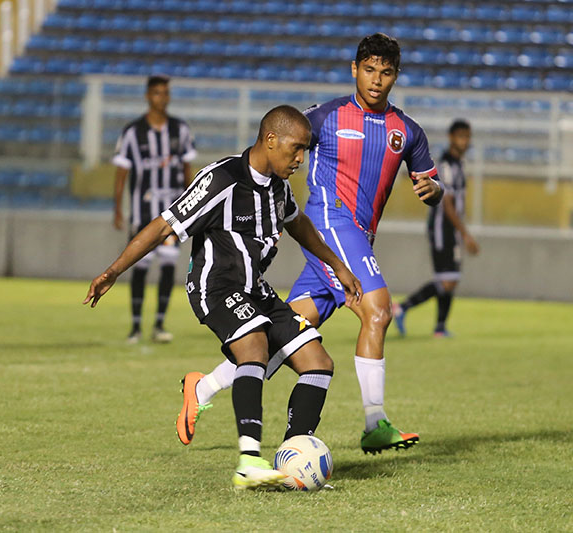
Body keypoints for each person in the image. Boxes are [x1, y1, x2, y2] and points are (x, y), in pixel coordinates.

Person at [177, 33, 443, 455]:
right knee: (378, 309)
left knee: (287, 335)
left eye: (386, 72)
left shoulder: (407, 132)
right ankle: (375, 422)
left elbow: (428, 180)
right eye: (369, 70)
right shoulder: (324, 118)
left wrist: (435, 191)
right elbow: (278, 139)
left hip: (356, 237)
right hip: (329, 220)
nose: (376, 80)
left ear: (396, 76)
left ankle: (203, 386)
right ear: (354, 70)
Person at [86, 106, 362, 489]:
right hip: (215, 288)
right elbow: (164, 224)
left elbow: (298, 224)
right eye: (296, 149)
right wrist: (114, 271)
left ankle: (291, 460)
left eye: (306, 151)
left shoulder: (279, 188)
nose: (301, 158)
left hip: (256, 291)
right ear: (270, 140)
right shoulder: (222, 180)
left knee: (318, 362)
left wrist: (338, 266)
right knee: (255, 346)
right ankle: (249, 461)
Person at [112, 75, 196, 344]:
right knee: (140, 265)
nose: (163, 98)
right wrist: (117, 208)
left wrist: (191, 206)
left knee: (169, 264)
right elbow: (121, 173)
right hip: (142, 212)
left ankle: (159, 324)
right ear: (148, 96)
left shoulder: (180, 130)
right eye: (158, 93)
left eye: (166, 93)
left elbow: (187, 171)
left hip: (172, 215)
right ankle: (135, 326)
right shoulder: (132, 132)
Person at [393, 119, 479, 337]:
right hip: (444, 229)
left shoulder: (459, 164)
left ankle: (440, 327)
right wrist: (464, 233)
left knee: (451, 278)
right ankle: (403, 307)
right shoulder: (447, 165)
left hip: (451, 229)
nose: (465, 141)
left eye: (467, 137)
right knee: (448, 280)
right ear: (452, 138)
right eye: (461, 136)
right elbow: (447, 203)